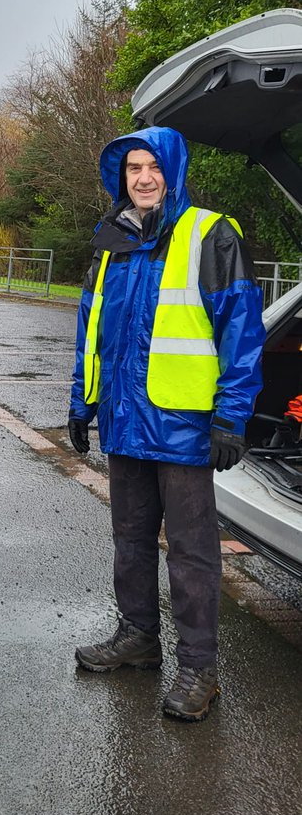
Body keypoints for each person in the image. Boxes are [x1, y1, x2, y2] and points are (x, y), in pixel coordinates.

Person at [68, 126, 264, 722]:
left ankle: (199, 669)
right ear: (120, 177)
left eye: (153, 167)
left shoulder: (210, 233)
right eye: (132, 168)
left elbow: (242, 327)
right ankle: (138, 638)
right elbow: (90, 325)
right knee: (128, 541)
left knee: (192, 552)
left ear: (173, 171)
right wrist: (83, 400)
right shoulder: (113, 239)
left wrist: (232, 416)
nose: (143, 178)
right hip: (126, 422)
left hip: (182, 426)